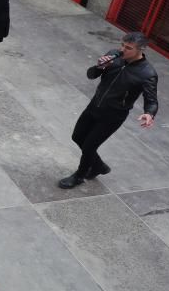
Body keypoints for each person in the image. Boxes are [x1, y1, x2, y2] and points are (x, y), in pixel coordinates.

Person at [59, 32, 159, 189]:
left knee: (89, 147)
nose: (122, 50)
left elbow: (151, 99)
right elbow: (91, 75)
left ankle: (79, 176)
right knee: (77, 136)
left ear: (141, 50)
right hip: (94, 106)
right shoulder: (113, 55)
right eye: (122, 45)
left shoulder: (147, 73)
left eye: (128, 48)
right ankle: (99, 166)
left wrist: (149, 113)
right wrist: (100, 67)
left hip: (113, 116)